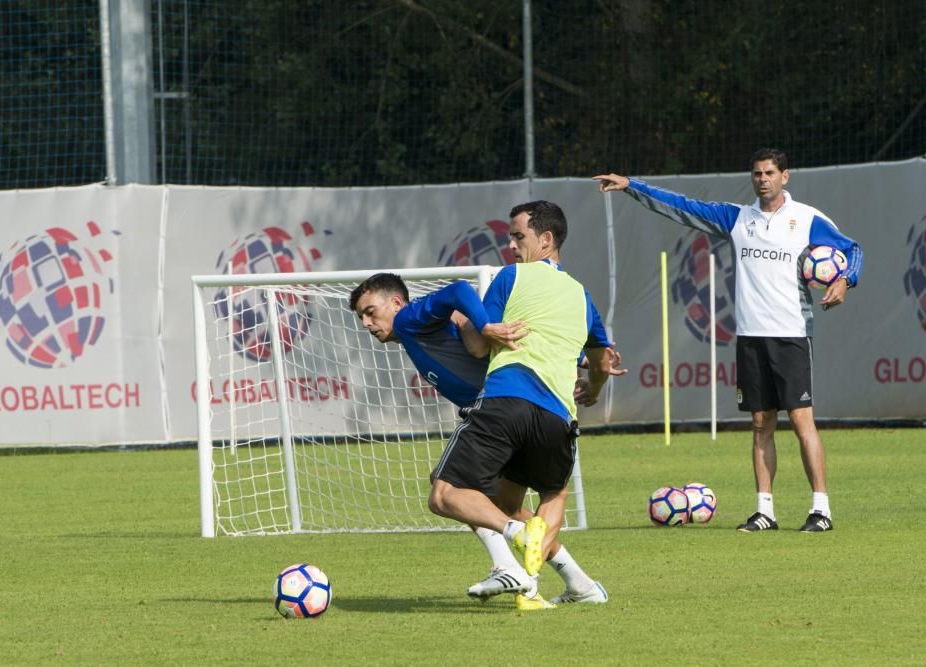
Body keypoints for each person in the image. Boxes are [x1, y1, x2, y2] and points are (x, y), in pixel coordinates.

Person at [595, 148, 863, 533]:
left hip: (790, 334)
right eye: (757, 173)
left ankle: (821, 509)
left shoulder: (807, 220)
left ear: (785, 176)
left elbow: (853, 250)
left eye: (770, 172)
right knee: (759, 424)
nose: (763, 179)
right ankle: (764, 511)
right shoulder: (738, 218)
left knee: (802, 421)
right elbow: (682, 206)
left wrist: (843, 280)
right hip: (750, 337)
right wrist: (631, 187)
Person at [349, 268, 624, 609]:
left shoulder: (407, 318)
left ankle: (509, 566)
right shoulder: (417, 331)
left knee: (448, 487)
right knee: (500, 507)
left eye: (370, 312)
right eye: (360, 317)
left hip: (503, 411)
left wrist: (484, 324)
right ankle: (580, 585)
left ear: (395, 302)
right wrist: (583, 360)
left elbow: (460, 290)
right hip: (523, 410)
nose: (365, 323)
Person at [423, 199, 621, 609]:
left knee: (445, 494)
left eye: (518, 236)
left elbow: (478, 347)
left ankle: (517, 543)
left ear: (545, 239)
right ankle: (549, 587)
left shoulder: (511, 277)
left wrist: (461, 322)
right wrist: (595, 390)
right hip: (558, 419)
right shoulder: (582, 297)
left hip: (507, 401)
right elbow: (603, 361)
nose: (512, 245)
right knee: (540, 497)